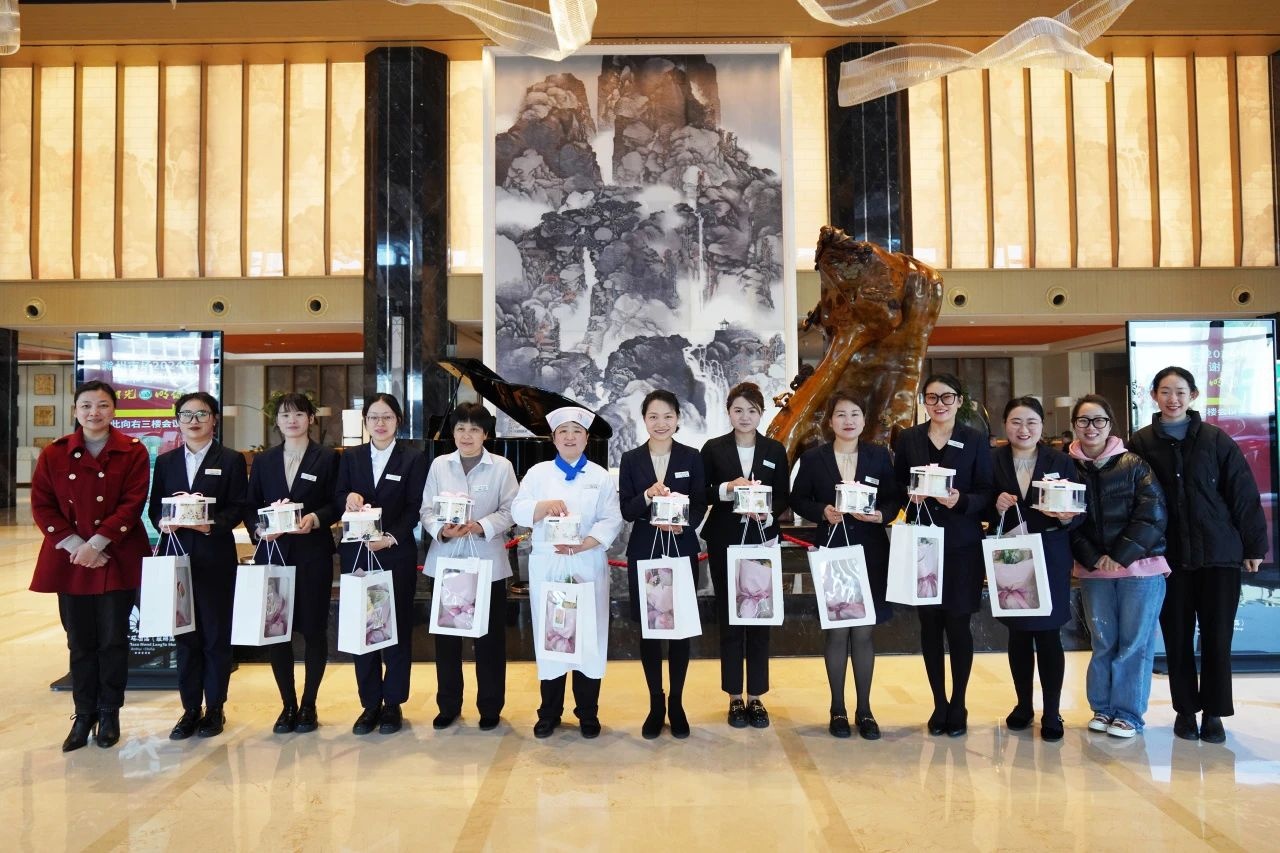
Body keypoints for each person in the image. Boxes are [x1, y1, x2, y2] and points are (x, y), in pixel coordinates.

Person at [1129, 366, 1267, 744]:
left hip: (1218, 554)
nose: (1172, 399)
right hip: (1168, 557)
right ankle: (1185, 711)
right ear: (1154, 396)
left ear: (1192, 396)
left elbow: (1242, 493)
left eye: (1180, 392)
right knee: (1176, 637)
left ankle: (1215, 713)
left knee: (1217, 638)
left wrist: (1254, 545)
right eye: (1165, 391)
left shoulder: (1215, 439)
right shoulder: (1140, 443)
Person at [30, 380, 151, 752]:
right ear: (75, 410)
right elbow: (42, 504)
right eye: (86, 405)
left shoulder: (132, 450)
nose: (94, 412)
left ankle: (110, 712)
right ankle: (84, 714)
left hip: (116, 556)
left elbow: (133, 502)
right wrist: (77, 546)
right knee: (79, 641)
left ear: (114, 410)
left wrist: (97, 544)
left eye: (102, 405)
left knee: (114, 640)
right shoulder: (54, 453)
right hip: (71, 560)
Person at [791, 392, 902, 740]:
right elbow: (798, 498)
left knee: (864, 632)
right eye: (841, 414)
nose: (848, 421)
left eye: (855, 414)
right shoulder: (814, 458)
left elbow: (894, 497)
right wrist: (822, 511)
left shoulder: (879, 456)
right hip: (833, 551)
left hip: (870, 552)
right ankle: (837, 708)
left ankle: (865, 710)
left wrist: (881, 515)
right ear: (831, 421)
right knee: (838, 631)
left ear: (864, 420)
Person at [512, 406, 623, 739]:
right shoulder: (538, 474)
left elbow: (611, 519)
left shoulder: (600, 477)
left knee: (589, 636)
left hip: (587, 562)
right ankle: (549, 712)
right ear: (554, 438)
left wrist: (586, 544)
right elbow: (518, 510)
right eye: (563, 431)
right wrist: (543, 507)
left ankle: (588, 712)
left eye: (577, 431)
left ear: (587, 438)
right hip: (549, 565)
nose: (570, 437)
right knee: (552, 635)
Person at [892, 373, 993, 737]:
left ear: (959, 401)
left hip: (962, 545)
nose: (939, 404)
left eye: (946, 397)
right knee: (930, 626)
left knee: (959, 625)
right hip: (923, 544)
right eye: (932, 397)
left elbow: (986, 491)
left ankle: (959, 702)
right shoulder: (909, 438)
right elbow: (897, 484)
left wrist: (961, 500)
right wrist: (909, 494)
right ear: (924, 402)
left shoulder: (975, 439)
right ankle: (939, 703)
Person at [1068, 394, 1169, 738]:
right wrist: (1094, 557)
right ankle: (1103, 708)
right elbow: (1068, 522)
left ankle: (1128, 713)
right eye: (1083, 420)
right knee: (1103, 640)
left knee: (1134, 643)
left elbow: (1153, 514)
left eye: (1099, 420)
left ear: (1110, 425)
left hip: (1140, 570)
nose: (1091, 427)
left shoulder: (1134, 464)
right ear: (1074, 425)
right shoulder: (1067, 468)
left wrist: (1119, 556)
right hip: (1094, 571)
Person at [149, 391, 248, 740]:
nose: (194, 421)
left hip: (215, 557)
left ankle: (215, 707)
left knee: (216, 636)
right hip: (177, 557)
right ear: (178, 421)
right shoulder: (166, 461)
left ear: (214, 419)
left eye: (202, 414)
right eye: (187, 415)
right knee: (185, 636)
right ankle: (190, 709)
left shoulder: (231, 459)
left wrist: (212, 525)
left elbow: (238, 506)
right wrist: (164, 522)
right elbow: (155, 508)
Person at [244, 392, 340, 735]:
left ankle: (309, 704)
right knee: (277, 631)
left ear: (310, 419)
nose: (292, 421)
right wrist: (259, 531)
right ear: (277, 421)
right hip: (274, 555)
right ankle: (287, 704)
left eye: (299, 414)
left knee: (314, 630)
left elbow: (337, 502)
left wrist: (316, 518)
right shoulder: (264, 460)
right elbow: (250, 504)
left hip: (313, 555)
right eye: (285, 415)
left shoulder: (326, 457)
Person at [988, 396, 1084, 741]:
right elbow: (978, 502)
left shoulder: (1061, 461)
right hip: (1011, 554)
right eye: (1016, 422)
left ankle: (1052, 711)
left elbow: (1080, 509)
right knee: (1018, 634)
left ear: (1042, 426)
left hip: (1050, 554)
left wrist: (1067, 518)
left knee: (1048, 634)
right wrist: (994, 504)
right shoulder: (992, 460)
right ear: (1005, 425)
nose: (1023, 429)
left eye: (1031, 422)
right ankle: (1023, 705)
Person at [420, 402, 518, 732]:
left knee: (489, 641)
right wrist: (442, 530)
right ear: (453, 432)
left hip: (487, 563)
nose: (467, 435)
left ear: (485, 434)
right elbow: (426, 510)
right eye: (461, 428)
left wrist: (480, 526)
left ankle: (490, 706)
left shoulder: (501, 467)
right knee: (447, 640)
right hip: (447, 562)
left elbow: (511, 511)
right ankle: (448, 705)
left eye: (474, 429)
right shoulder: (439, 465)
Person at [334, 393, 427, 736]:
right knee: (364, 627)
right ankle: (370, 703)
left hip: (394, 553)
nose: (380, 423)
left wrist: (390, 538)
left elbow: (415, 506)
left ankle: (393, 703)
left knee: (395, 629)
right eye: (373, 417)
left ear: (398, 420)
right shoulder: (351, 456)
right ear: (366, 421)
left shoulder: (413, 458)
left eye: (387, 416)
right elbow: (337, 494)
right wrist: (347, 497)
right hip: (358, 553)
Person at [700, 382, 791, 729]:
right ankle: (734, 697)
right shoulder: (713, 449)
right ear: (728, 412)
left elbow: (783, 495)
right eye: (738, 410)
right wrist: (728, 489)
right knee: (730, 619)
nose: (744, 416)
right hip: (724, 540)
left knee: (759, 617)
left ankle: (756, 696)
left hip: (761, 539)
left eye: (752, 410)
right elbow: (701, 492)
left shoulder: (774, 449)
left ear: (761, 413)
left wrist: (767, 513)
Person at [618, 390, 707, 739]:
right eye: (653, 416)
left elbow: (699, 504)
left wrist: (683, 524)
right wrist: (646, 496)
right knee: (650, 630)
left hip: (681, 549)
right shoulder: (631, 459)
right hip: (645, 550)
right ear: (644, 419)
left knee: (679, 629)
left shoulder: (692, 457)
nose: (661, 423)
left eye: (668, 416)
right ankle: (656, 703)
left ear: (678, 419)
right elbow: (627, 510)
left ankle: (677, 703)